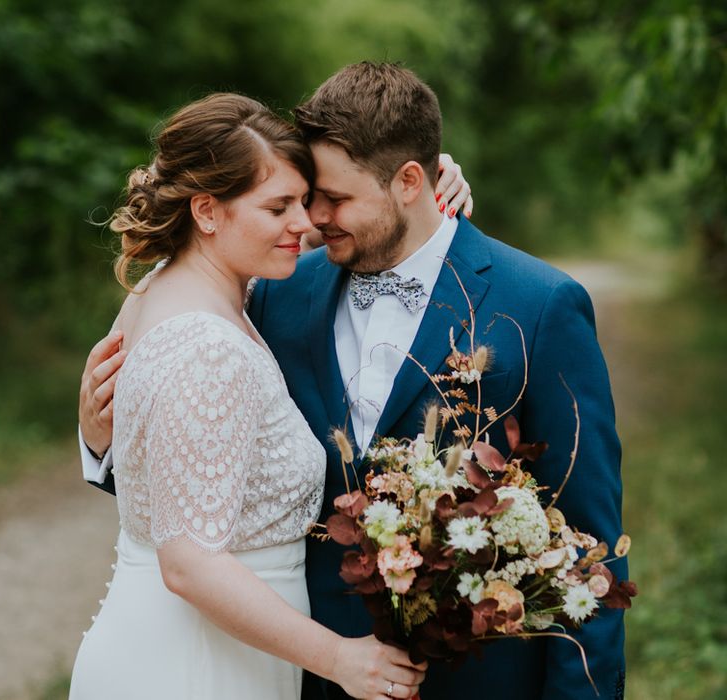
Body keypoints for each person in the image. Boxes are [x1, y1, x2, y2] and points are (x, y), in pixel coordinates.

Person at [80, 63, 626, 699]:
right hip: (298, 666)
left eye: (331, 199)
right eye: (302, 197)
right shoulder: (276, 291)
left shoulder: (538, 306)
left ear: (410, 182)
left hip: (477, 678)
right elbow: (193, 461)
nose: (312, 217)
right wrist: (99, 439)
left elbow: (590, 546)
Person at [70, 92, 435, 700]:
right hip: (196, 667)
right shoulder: (208, 345)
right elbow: (189, 564)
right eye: (279, 206)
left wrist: (423, 189)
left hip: (188, 645)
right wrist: (339, 659)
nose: (306, 222)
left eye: (306, 200)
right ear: (208, 212)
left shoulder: (171, 285)